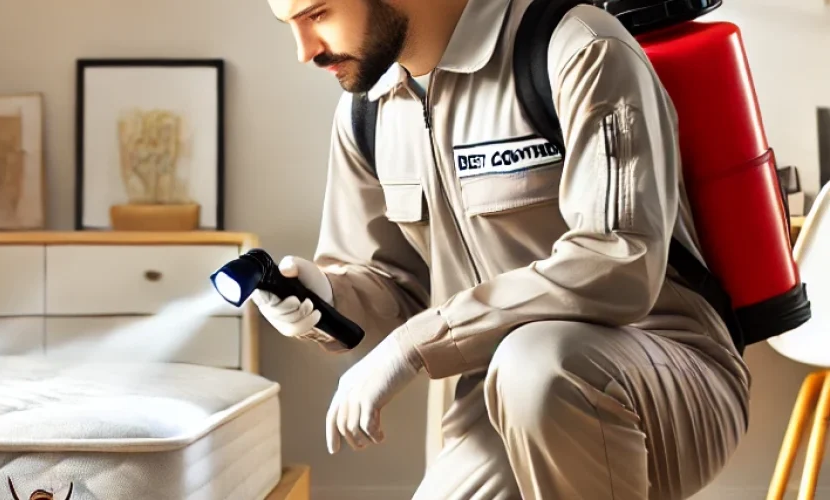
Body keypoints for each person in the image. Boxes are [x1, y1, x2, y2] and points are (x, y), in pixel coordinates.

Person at [253, 0, 752, 498]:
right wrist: (328, 300)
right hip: (490, 402)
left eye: (318, 14)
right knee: (522, 373)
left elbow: (617, 263)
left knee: (534, 364)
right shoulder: (368, 111)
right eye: (289, 26)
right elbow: (391, 286)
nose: (304, 51)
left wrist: (414, 346)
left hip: (664, 371)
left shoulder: (578, 48)